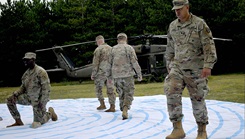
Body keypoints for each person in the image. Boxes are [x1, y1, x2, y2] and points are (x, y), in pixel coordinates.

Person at [163, 0, 217, 139]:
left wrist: (208, 65)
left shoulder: (199, 24)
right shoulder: (173, 26)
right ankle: (177, 129)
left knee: (198, 98)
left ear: (187, 7)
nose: (177, 12)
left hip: (196, 68)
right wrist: (169, 64)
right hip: (177, 67)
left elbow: (208, 45)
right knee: (171, 92)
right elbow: (170, 47)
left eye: (180, 9)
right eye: (175, 10)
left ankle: (201, 131)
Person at [6, 52, 58, 128]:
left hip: (38, 100)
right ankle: (18, 121)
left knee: (36, 124)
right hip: (28, 97)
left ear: (33, 60)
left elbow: (46, 88)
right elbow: (23, 87)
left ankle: (49, 113)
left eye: (27, 60)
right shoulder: (26, 74)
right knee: (9, 99)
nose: (25, 62)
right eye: (25, 60)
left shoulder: (41, 71)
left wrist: (43, 102)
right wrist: (15, 94)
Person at [107, 33, 142, 120]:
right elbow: (134, 62)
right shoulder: (129, 48)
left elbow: (109, 64)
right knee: (129, 92)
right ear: (126, 39)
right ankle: (125, 109)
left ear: (117, 40)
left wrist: (109, 77)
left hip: (116, 75)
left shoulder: (112, 49)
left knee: (121, 93)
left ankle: (122, 108)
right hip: (127, 75)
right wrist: (139, 73)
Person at [91, 35, 116, 112]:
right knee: (111, 89)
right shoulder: (111, 49)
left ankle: (102, 104)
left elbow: (96, 63)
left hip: (101, 73)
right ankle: (112, 106)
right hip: (110, 73)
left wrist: (93, 73)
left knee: (98, 89)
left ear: (98, 41)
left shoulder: (98, 49)